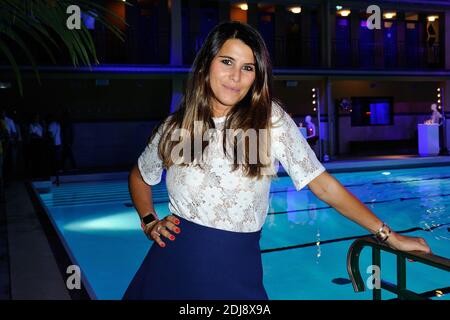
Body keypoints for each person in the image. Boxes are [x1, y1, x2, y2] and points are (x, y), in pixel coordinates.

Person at [123, 21, 431, 300]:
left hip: (235, 272)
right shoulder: (177, 128)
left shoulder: (268, 120)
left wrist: (389, 236)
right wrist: (149, 220)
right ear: (206, 65)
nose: (235, 77)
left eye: (248, 67)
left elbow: (321, 185)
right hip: (171, 266)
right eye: (227, 62)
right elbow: (139, 176)